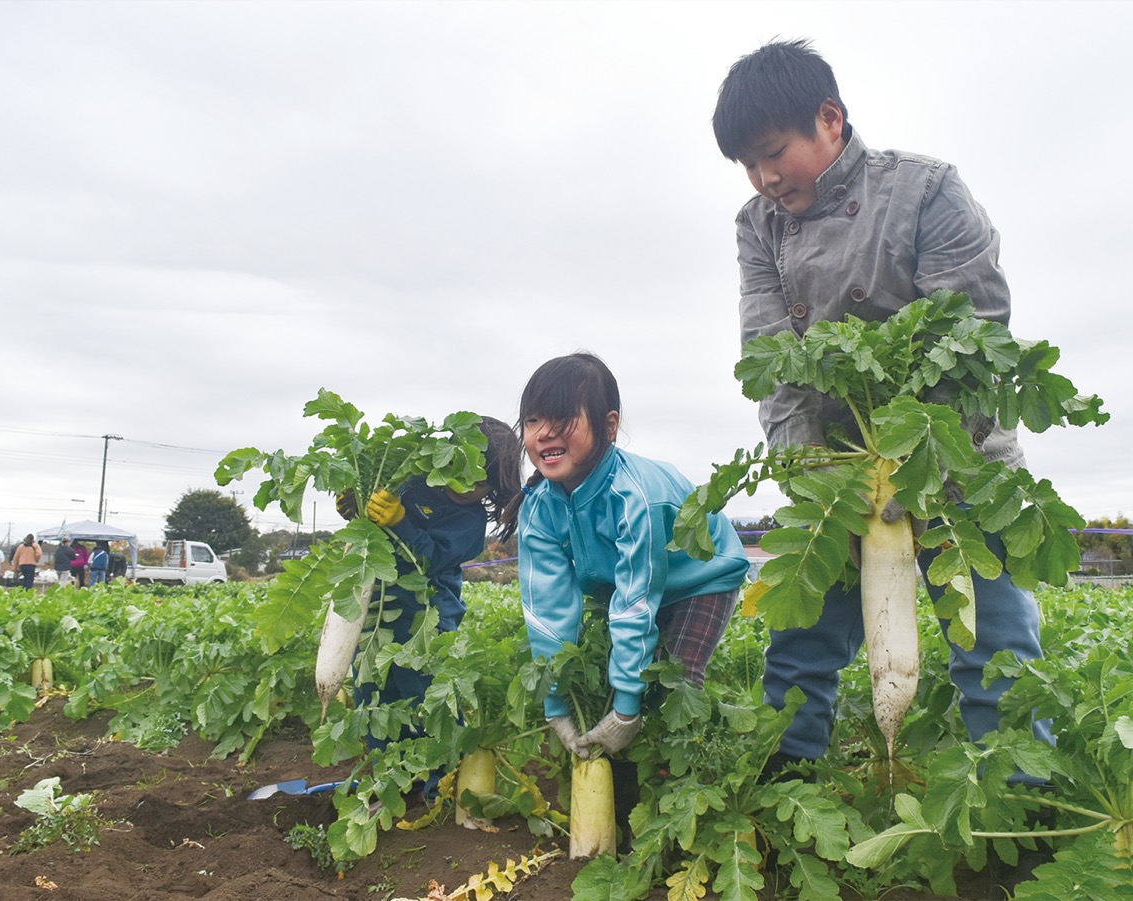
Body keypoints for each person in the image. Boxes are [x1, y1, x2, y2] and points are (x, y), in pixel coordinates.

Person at [711, 39, 1051, 894]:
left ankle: (1021, 825)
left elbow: (975, 337)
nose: (762, 179)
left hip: (957, 463)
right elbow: (773, 362)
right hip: (836, 477)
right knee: (800, 638)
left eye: (773, 155)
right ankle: (790, 798)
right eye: (747, 165)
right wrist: (818, 476)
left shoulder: (927, 190)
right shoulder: (758, 228)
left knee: (995, 643)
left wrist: (908, 463)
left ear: (830, 120)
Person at [501, 353, 750, 847]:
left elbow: (638, 602)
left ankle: (682, 817)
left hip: (702, 577)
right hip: (626, 585)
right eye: (532, 421)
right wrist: (557, 703)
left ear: (609, 425)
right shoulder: (542, 508)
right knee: (624, 681)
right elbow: (548, 608)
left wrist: (629, 710)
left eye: (561, 419)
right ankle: (627, 810)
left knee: (672, 683)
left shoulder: (631, 494)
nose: (544, 433)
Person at [339, 415, 524, 801]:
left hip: (428, 613)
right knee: (373, 694)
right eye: (457, 469)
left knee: (429, 695)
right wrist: (357, 506)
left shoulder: (469, 520)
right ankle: (390, 780)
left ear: (493, 488)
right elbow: (375, 526)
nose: (465, 485)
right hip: (378, 610)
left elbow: (430, 559)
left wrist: (403, 521)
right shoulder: (412, 483)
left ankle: (440, 784)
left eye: (478, 482)